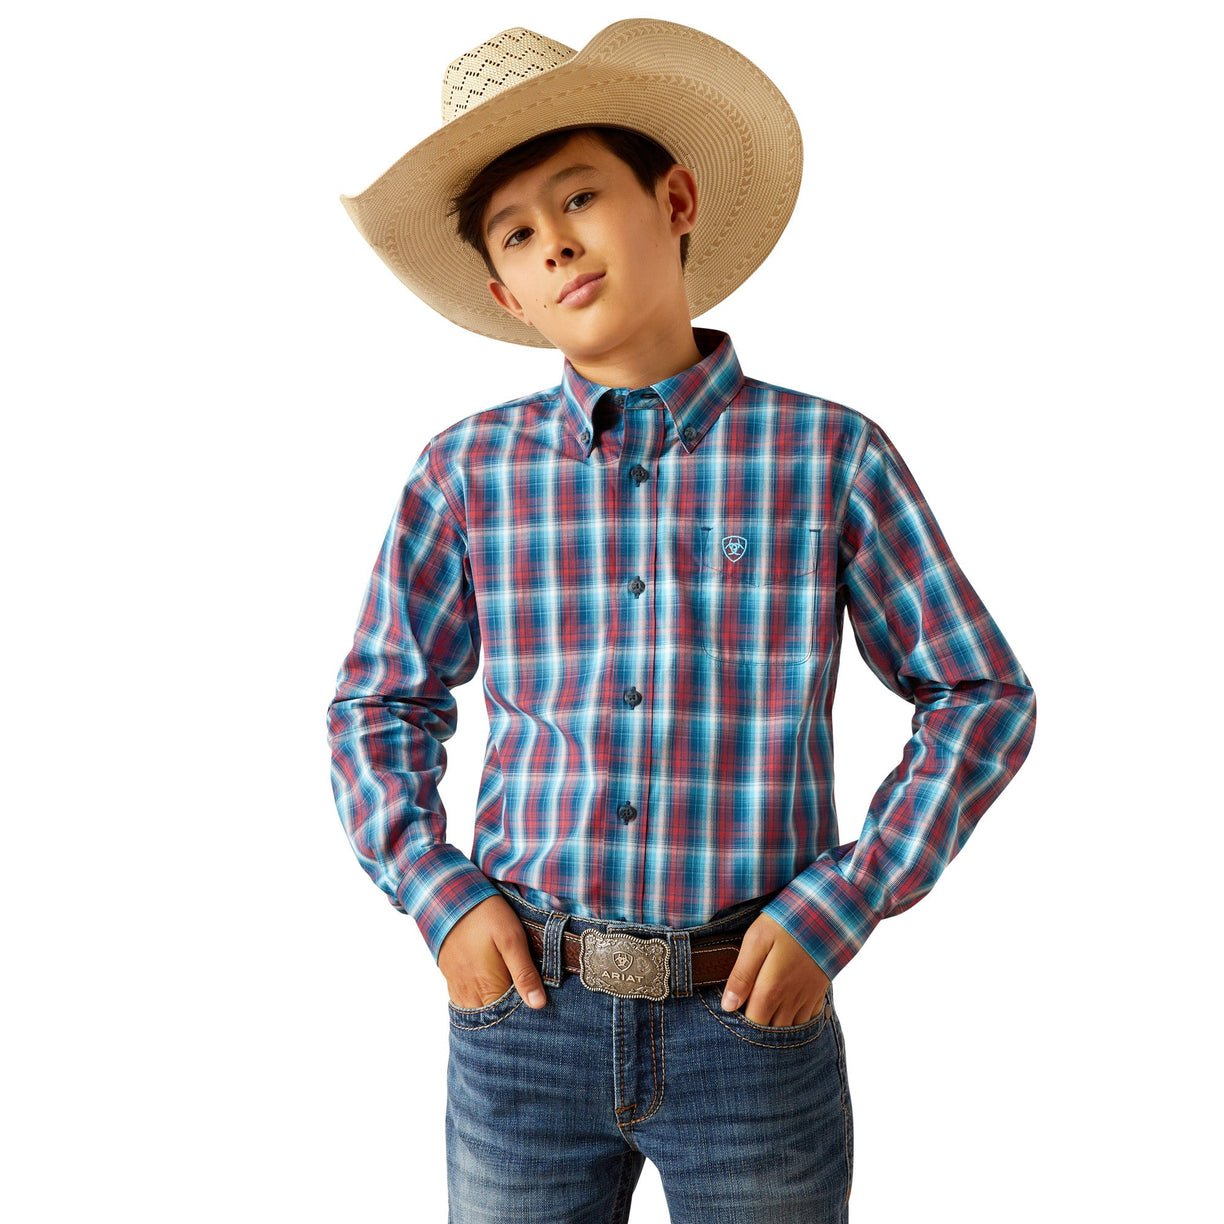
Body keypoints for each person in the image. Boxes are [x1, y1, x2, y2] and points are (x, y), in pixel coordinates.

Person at [326, 19, 1036, 1223]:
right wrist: (438, 894)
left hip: (754, 1022)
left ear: (676, 197)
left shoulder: (831, 456)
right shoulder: (465, 474)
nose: (556, 240)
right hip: (523, 1026)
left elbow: (978, 696)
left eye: (581, 196)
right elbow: (378, 706)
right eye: (518, 233)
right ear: (506, 290)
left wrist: (842, 904)